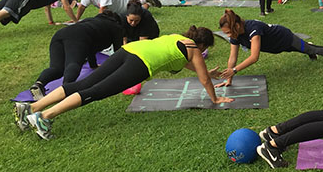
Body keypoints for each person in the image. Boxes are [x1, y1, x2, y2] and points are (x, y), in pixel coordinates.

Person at [14, 26, 233, 140]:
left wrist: (207, 73)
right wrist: (215, 98)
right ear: (202, 44)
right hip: (139, 64)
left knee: (84, 83)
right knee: (96, 91)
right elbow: (202, 77)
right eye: (205, 50)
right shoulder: (194, 49)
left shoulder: (177, 38)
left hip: (128, 50)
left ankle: (32, 108)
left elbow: (180, 61)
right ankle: (44, 117)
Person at [216, 10, 323, 85]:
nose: (228, 35)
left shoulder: (253, 29)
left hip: (284, 38)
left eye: (228, 32)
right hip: (275, 47)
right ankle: (305, 47)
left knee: (310, 49)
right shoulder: (235, 35)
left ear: (237, 26)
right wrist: (229, 78)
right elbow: (233, 57)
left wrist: (234, 70)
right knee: (302, 48)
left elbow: (254, 57)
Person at [28, 10, 125, 100]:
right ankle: (66, 88)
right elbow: (118, 52)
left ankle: (39, 84)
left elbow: (91, 47)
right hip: (78, 36)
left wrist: (93, 65)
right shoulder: (116, 27)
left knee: (56, 69)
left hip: (60, 34)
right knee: (74, 63)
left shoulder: (92, 21)